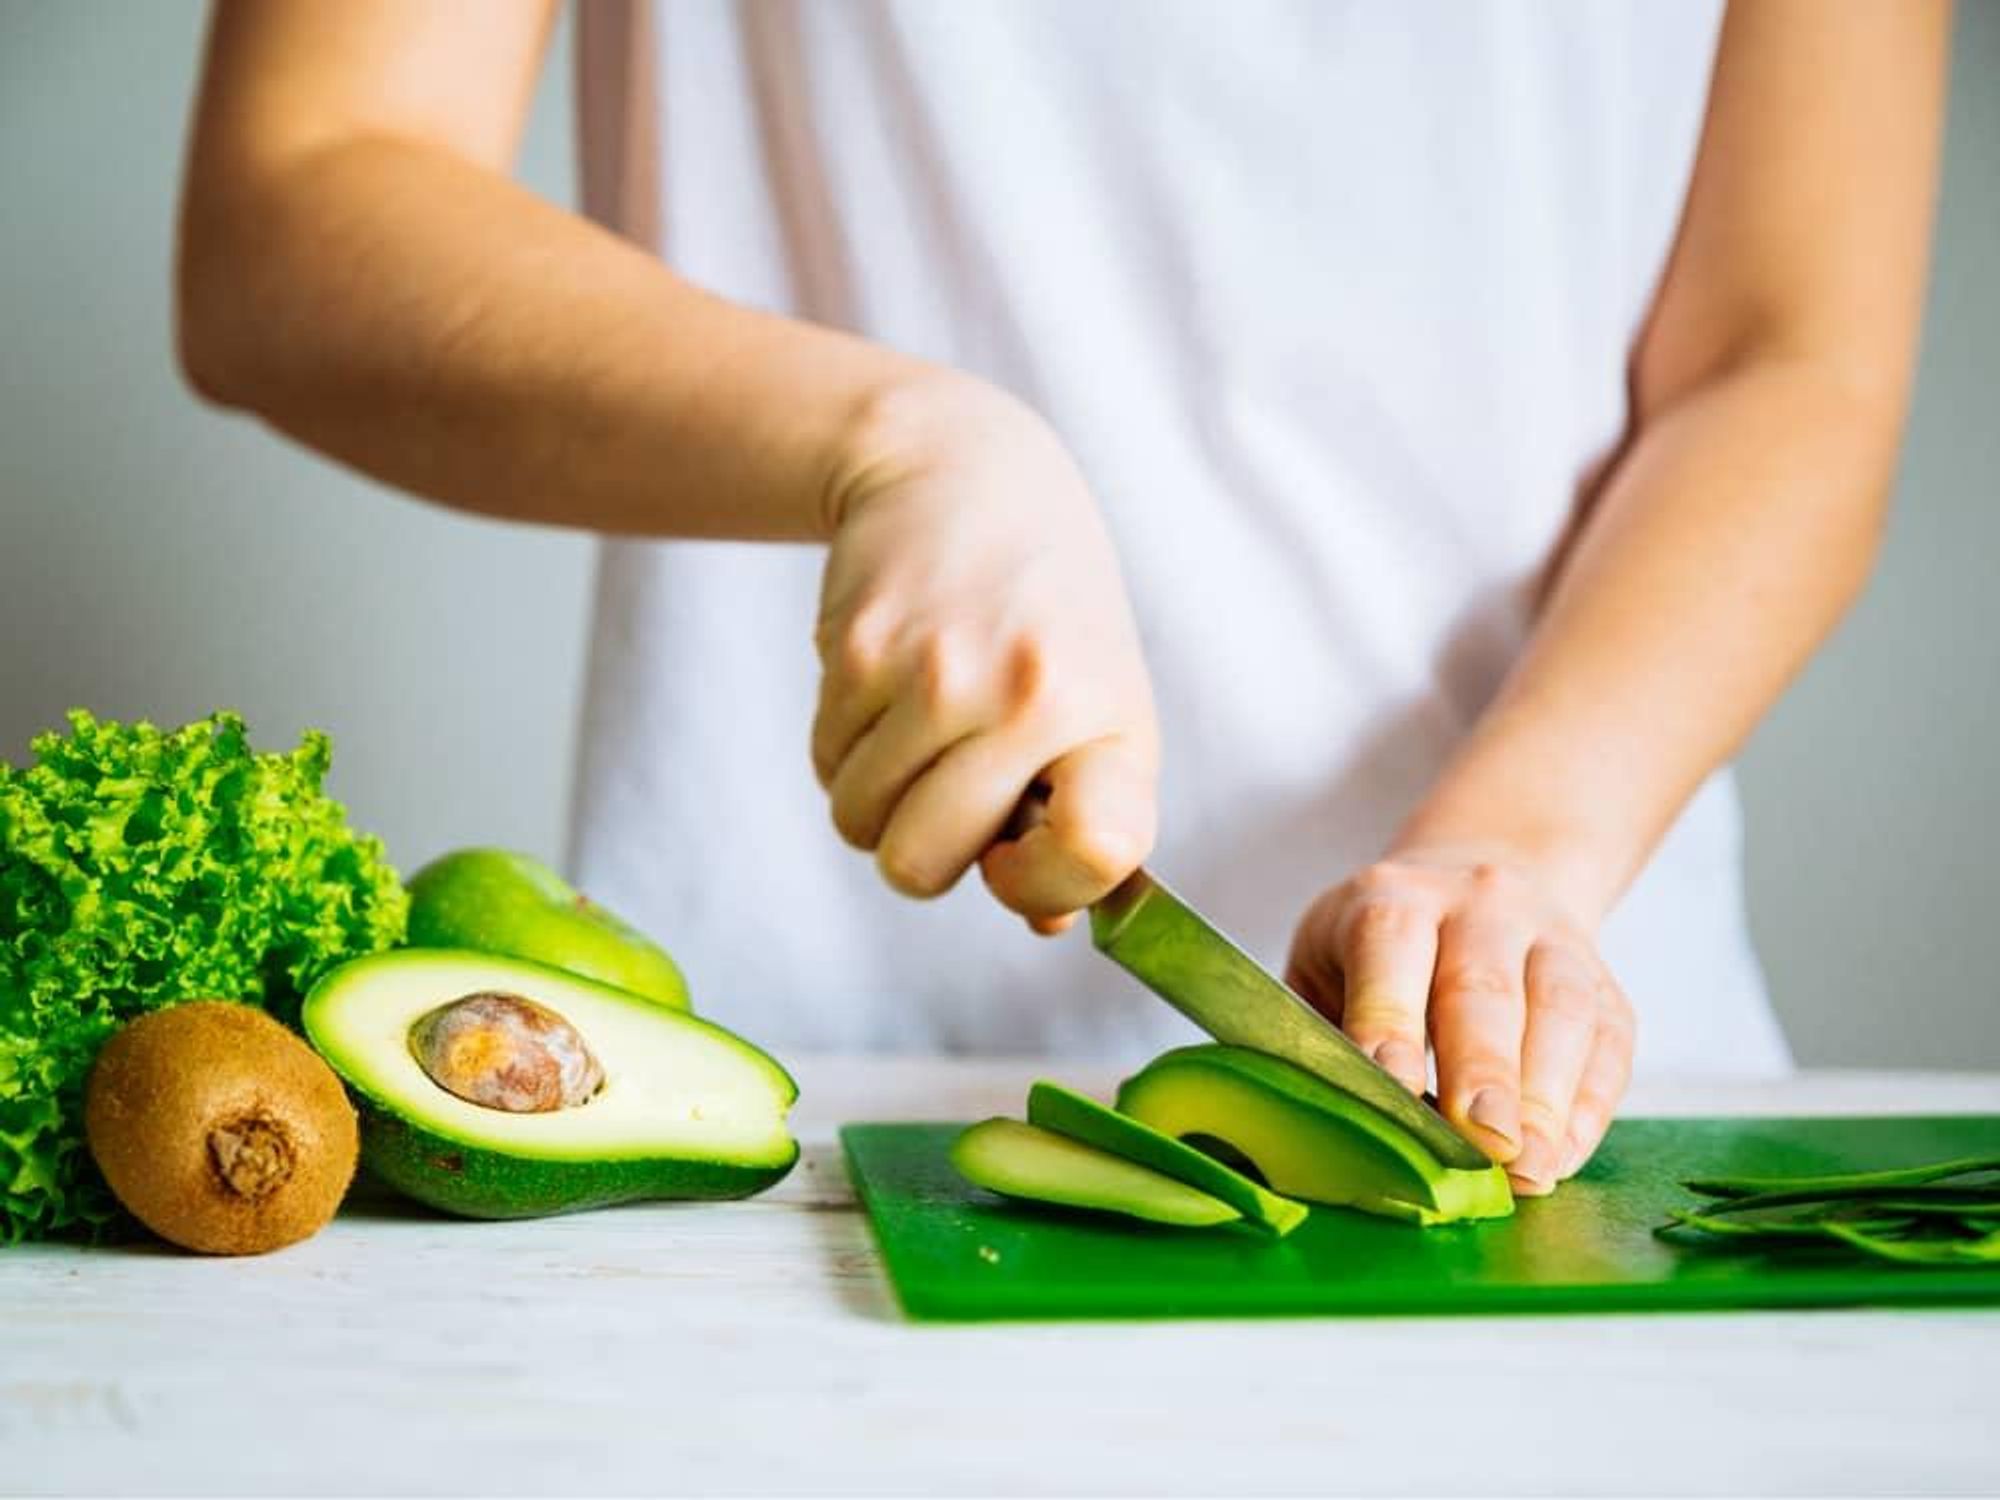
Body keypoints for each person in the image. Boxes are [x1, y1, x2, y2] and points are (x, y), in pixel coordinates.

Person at [175, 0, 1947, 1195]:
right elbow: (300, 198)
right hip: (792, 1107)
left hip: (1559, 1065)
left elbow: (1787, 366)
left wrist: (1530, 842)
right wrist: (891, 437)